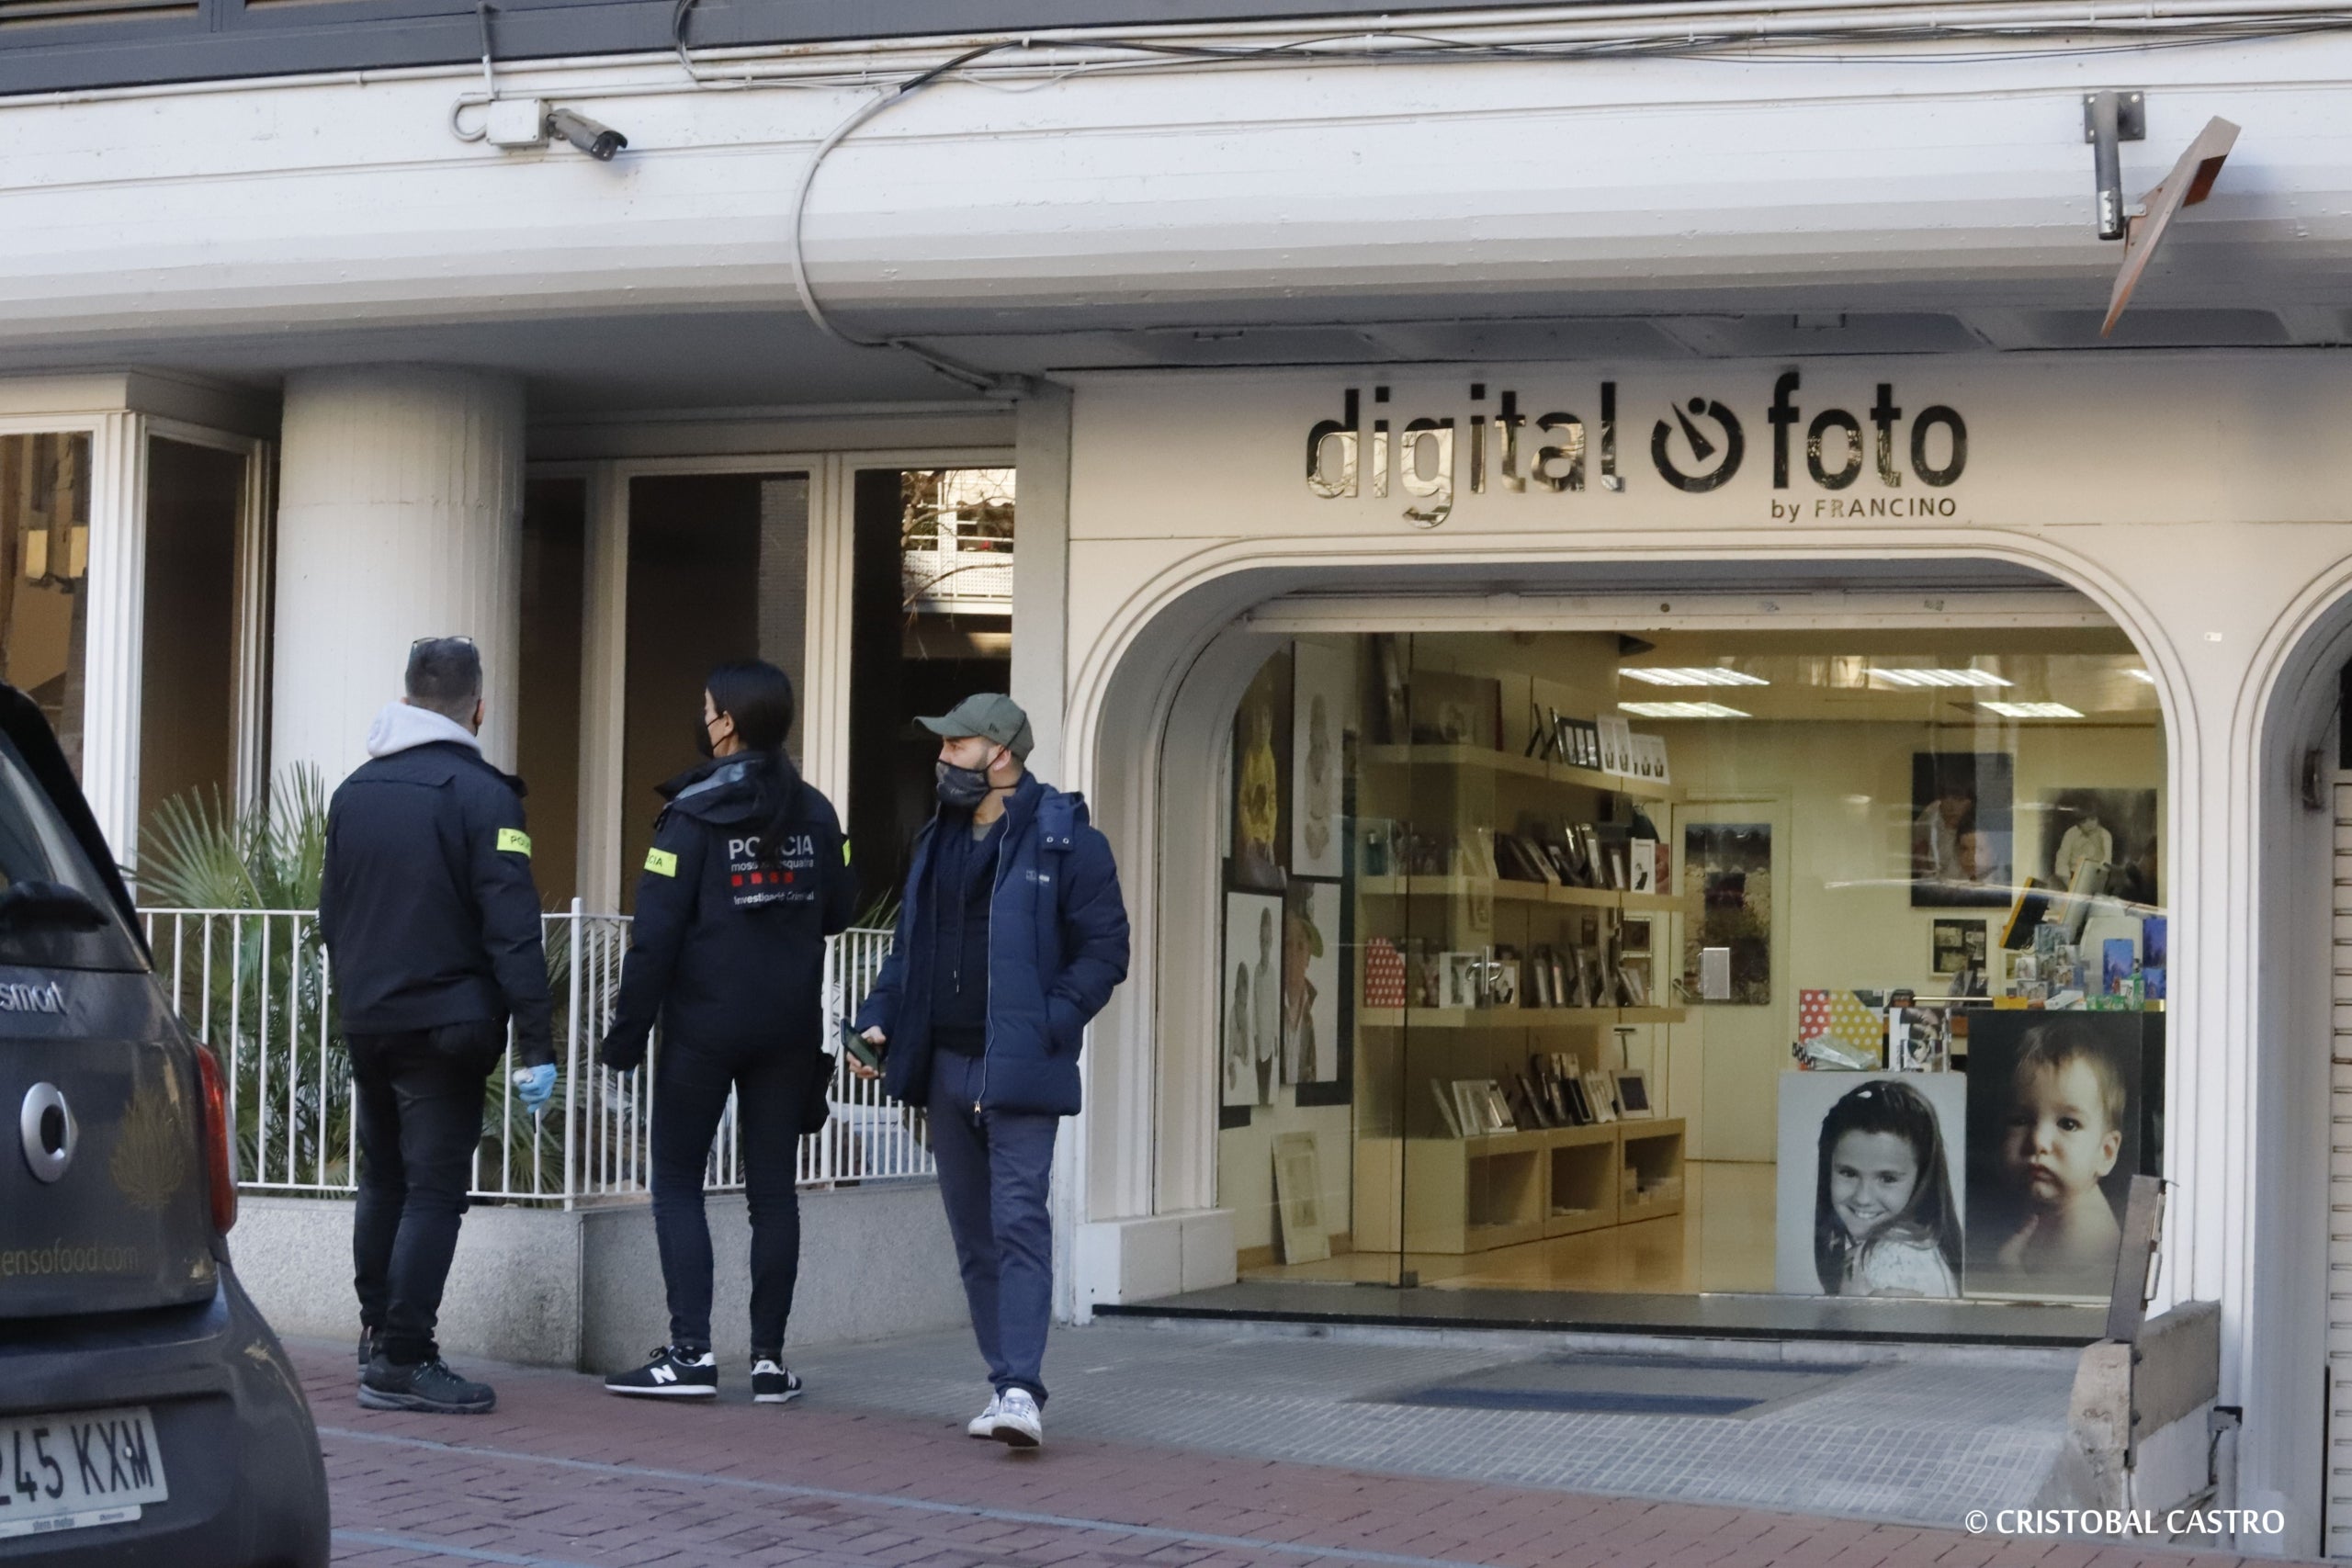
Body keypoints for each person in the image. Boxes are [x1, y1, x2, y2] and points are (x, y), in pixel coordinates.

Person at [853, 694, 1128, 1450]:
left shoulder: (1068, 839)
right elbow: (908, 951)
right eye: (942, 748)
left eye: (957, 747)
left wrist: (1053, 1019)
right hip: (944, 1064)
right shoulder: (934, 842)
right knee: (975, 1234)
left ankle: (1021, 1389)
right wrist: (879, 1013)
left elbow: (1106, 950)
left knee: (1019, 1221)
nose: (942, 759)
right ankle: (1002, 1377)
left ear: (1000, 754)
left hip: (1020, 1065)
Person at [598, 661, 854, 1403]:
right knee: (773, 1192)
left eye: (706, 707)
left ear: (728, 723)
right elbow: (837, 910)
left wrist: (625, 1034)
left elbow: (655, 936)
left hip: (703, 1028)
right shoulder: (817, 811)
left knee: (677, 1180)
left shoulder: (691, 814)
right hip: (787, 1028)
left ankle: (690, 1353)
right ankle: (769, 1363)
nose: (701, 717)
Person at [319, 637, 555, 1416]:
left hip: (368, 1018)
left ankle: (376, 1333)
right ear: (478, 707)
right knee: (432, 1192)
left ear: (408, 695)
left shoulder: (355, 790)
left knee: (383, 1179)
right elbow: (514, 930)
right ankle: (404, 1356)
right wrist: (536, 1043)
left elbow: (331, 914)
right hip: (445, 1026)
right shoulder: (483, 795)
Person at [1995, 1022, 2127, 1292]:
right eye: (2021, 1120)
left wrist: (2011, 1279)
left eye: (2068, 1124)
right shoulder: (2049, 1209)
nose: (2038, 1142)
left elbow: (2052, 1319)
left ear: (2106, 1153)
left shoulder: (2086, 1233)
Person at [1813, 1079, 1961, 1298]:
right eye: (1849, 1173)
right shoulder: (1918, 1241)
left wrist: (1850, 1306)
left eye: (1887, 1178)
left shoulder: (1889, 1260)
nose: (1863, 1198)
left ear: (1921, 1180)